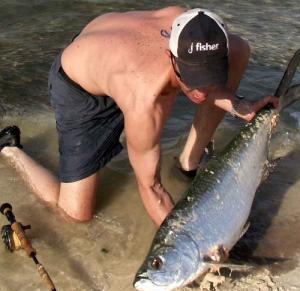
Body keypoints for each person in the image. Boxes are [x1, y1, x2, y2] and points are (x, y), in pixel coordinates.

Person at [0, 7, 278, 227]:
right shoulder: (144, 97)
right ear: (172, 58)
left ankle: (188, 163)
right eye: (193, 79)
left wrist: (239, 104)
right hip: (80, 86)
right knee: (75, 215)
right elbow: (151, 187)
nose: (201, 92)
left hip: (111, 51)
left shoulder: (201, 30)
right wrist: (186, 243)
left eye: (209, 78)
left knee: (240, 52)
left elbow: (235, 52)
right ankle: (9, 148)